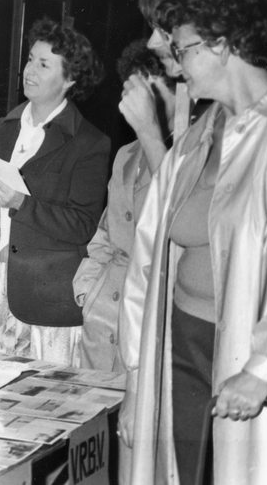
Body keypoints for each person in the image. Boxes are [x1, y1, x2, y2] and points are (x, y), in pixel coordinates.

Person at [119, 0, 267, 484]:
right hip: (181, 345)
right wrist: (136, 381)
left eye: (179, 46)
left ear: (221, 43)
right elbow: (147, 260)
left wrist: (264, 368)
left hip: (248, 360)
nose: (171, 59)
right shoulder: (197, 138)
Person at [0, 18, 108, 364]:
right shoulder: (4, 129)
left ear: (70, 79)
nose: (29, 71)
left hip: (45, 300)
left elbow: (84, 225)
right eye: (30, 59)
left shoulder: (88, 143)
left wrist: (23, 204)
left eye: (44, 64)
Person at [72, 40, 177, 374]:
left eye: (149, 90)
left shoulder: (188, 157)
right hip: (102, 319)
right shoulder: (125, 155)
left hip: (150, 320)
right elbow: (106, 230)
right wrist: (88, 290)